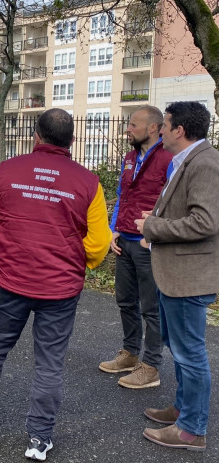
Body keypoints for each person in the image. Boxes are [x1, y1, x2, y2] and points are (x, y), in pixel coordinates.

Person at [0, 108, 111, 461]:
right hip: (60, 289)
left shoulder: (6, 170)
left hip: (10, 280)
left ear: (36, 136)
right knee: (50, 363)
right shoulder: (89, 183)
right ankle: (39, 438)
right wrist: (80, 265)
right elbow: (99, 244)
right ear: (72, 141)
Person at [135, 101, 219, 452]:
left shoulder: (205, 163)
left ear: (178, 130)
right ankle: (184, 410)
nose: (161, 130)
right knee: (181, 348)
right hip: (176, 274)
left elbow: (206, 221)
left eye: (165, 124)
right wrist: (153, 222)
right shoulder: (188, 161)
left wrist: (153, 226)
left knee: (190, 353)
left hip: (188, 276)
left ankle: (191, 429)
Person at [98, 106, 173, 389]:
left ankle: (151, 367)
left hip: (149, 244)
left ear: (153, 128)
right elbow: (122, 194)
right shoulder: (130, 157)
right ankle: (130, 354)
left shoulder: (169, 158)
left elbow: (172, 200)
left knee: (151, 308)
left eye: (133, 125)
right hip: (125, 242)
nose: (128, 129)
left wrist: (154, 234)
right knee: (125, 301)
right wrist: (114, 229)